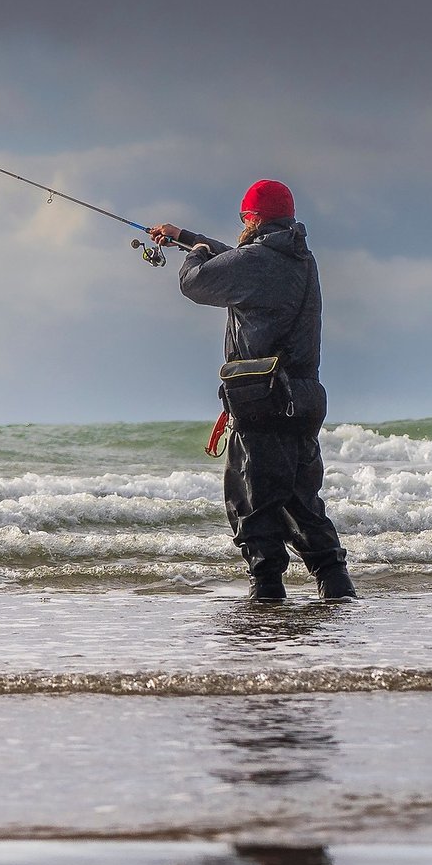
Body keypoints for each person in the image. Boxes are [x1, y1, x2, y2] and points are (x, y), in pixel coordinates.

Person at [149, 180, 354, 604]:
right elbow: (241, 258)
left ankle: (267, 603)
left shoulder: (259, 261)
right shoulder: (299, 258)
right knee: (301, 503)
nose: (242, 226)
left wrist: (193, 255)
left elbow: (197, 282)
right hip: (303, 399)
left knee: (253, 504)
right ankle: (339, 594)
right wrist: (186, 236)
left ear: (254, 218)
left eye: (244, 219)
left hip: (263, 401)